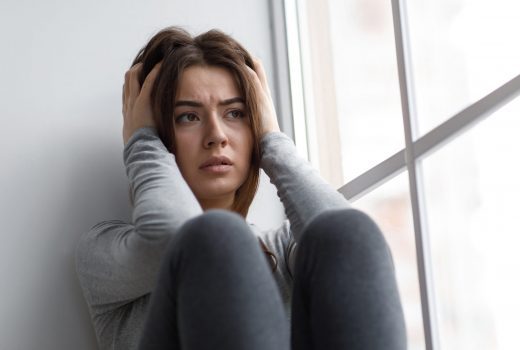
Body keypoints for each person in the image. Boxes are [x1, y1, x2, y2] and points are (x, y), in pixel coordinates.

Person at [75, 27, 406, 350]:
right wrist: (141, 142)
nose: (217, 134)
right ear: (160, 136)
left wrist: (274, 142)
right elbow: (175, 236)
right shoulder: (105, 252)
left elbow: (358, 255)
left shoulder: (284, 251)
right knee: (219, 236)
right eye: (187, 117)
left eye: (235, 113)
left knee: (347, 230)